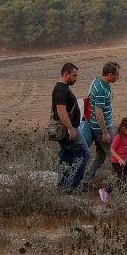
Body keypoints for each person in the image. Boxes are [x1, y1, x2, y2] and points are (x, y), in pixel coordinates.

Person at [82, 61, 121, 187]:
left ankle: (86, 181)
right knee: (116, 156)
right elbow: (98, 112)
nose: (118, 77)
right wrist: (105, 132)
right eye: (116, 75)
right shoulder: (101, 89)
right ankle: (120, 184)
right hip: (102, 129)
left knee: (100, 155)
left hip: (95, 126)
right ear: (110, 75)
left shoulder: (97, 82)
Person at [53, 62, 90, 193]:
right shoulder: (61, 89)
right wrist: (70, 128)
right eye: (74, 75)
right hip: (67, 129)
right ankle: (72, 186)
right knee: (84, 153)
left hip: (65, 130)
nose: (76, 78)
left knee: (66, 156)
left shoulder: (62, 88)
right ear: (66, 74)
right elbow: (61, 110)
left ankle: (62, 186)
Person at [100, 117, 127, 204]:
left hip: (124, 161)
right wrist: (119, 159)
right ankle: (105, 190)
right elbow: (112, 150)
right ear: (124, 128)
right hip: (117, 162)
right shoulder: (118, 137)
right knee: (121, 181)